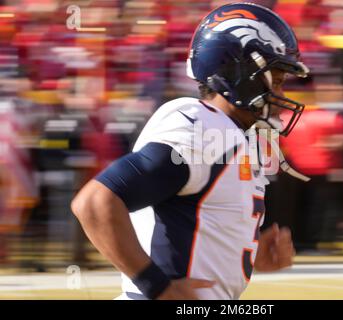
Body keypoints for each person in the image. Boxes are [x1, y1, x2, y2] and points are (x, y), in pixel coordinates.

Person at [71, 2, 309, 300]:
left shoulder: (232, 135)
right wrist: (158, 288)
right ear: (240, 70)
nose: (282, 93)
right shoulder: (202, 126)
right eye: (277, 79)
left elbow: (193, 225)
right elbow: (95, 202)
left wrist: (247, 255)